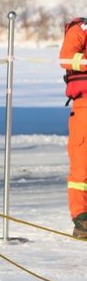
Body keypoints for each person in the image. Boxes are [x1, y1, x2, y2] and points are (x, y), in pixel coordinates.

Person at [59, 18, 87, 238]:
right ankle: (82, 220)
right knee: (81, 168)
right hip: (84, 106)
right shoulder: (80, 30)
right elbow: (67, 57)